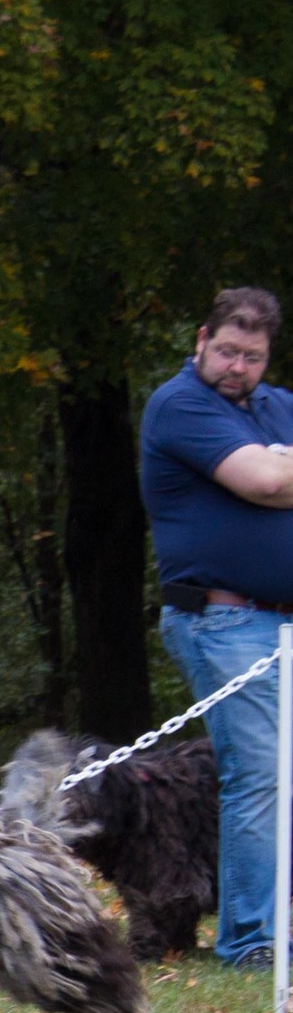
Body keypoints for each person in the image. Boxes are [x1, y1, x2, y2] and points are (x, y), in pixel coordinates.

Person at [145, 286, 293, 969]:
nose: (237, 366)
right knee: (261, 774)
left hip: (281, 621)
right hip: (222, 619)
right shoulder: (180, 405)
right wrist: (273, 467)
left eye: (252, 357)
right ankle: (253, 940)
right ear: (202, 338)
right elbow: (263, 481)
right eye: (227, 351)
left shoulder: (275, 405)